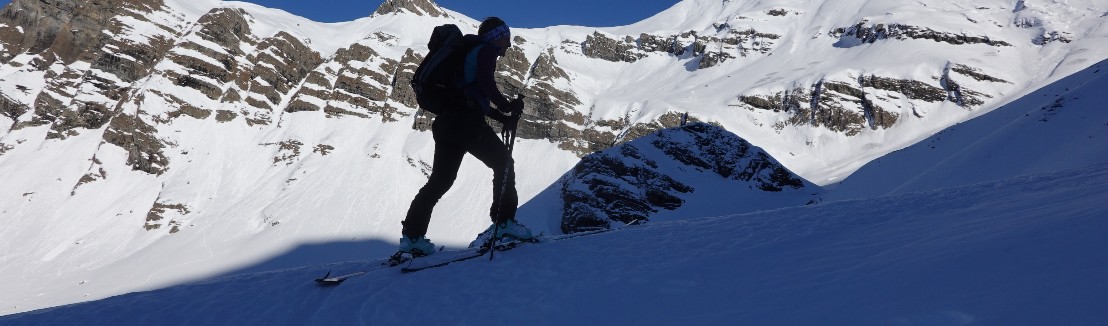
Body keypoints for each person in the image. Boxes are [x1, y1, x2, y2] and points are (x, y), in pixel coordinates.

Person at [399, 17, 533, 256]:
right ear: (496, 36)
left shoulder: (467, 54)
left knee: (440, 181)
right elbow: (486, 84)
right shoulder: (486, 50)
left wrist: (501, 116)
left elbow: (470, 95)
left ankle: (412, 237)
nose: (509, 44)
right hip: (466, 123)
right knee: (503, 163)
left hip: (447, 123)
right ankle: (504, 224)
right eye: (506, 37)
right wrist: (507, 106)